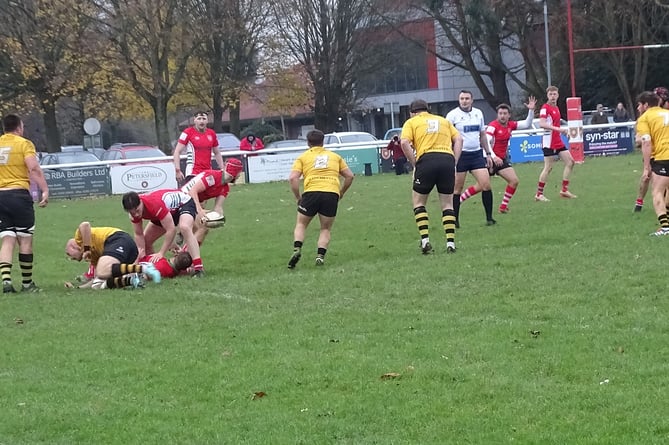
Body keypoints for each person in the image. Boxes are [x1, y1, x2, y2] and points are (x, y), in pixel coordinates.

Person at [401, 99, 463, 254]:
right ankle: (450, 243)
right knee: (447, 204)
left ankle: (425, 240)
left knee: (419, 202)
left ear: (412, 112)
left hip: (426, 160)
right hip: (447, 159)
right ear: (428, 109)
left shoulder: (411, 122)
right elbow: (459, 139)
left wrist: (415, 163)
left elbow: (404, 143)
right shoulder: (443, 120)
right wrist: (454, 160)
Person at [287, 129, 354, 268]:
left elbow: (293, 178)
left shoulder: (303, 157)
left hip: (311, 192)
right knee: (325, 228)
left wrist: (298, 197)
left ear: (308, 143)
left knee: (301, 224)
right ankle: (320, 256)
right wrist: (341, 192)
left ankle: (297, 249)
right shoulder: (335, 157)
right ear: (323, 142)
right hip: (331, 193)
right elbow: (350, 176)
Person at [460, 97, 536, 213]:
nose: (502, 116)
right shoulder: (493, 126)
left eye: (505, 113)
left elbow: (526, 124)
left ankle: (503, 207)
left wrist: (531, 110)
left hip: (500, 160)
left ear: (509, 115)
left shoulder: (510, 125)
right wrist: (493, 156)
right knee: (481, 186)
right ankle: (459, 201)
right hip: (488, 159)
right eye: (500, 113)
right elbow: (487, 142)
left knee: (514, 181)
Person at [0, 114, 49, 293]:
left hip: (0, 197)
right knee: (25, 238)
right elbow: (33, 168)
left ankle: (6, 282)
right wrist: (45, 189)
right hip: (18, 195)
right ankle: (27, 284)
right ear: (19, 128)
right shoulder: (24, 144)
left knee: (7, 239)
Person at [122, 189, 205, 277]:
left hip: (183, 203)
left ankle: (198, 268)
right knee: (146, 241)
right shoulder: (134, 214)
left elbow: (171, 229)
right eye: (132, 213)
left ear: (140, 202)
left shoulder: (154, 204)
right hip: (165, 213)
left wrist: (161, 253)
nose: (136, 215)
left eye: (137, 210)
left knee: (184, 227)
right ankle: (151, 268)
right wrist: (141, 251)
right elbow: (139, 234)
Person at [446, 90, 496, 226]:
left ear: (472, 100)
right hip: (460, 156)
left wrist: (488, 153)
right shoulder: (452, 116)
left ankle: (489, 218)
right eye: (462, 98)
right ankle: (455, 220)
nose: (464, 101)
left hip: (476, 154)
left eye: (467, 98)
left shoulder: (478, 113)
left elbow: (483, 135)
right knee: (457, 189)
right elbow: (446, 137)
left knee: (486, 184)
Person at [65, 222, 162, 289]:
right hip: (128, 252)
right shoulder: (93, 257)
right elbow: (97, 277)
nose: (71, 258)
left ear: (74, 246)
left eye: (69, 254)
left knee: (102, 271)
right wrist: (78, 288)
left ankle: (143, 268)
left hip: (117, 239)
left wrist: (86, 248)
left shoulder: (79, 238)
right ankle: (131, 280)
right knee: (97, 284)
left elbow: (85, 225)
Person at [180, 158, 244, 244]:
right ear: (235, 173)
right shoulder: (212, 177)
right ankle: (185, 254)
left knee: (200, 229)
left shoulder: (225, 188)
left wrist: (220, 218)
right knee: (203, 227)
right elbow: (192, 191)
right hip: (183, 199)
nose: (239, 175)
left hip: (190, 202)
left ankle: (185, 252)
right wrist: (199, 210)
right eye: (239, 173)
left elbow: (218, 207)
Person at [635, 90, 669, 235]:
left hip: (663, 156)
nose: (638, 108)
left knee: (657, 192)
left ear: (646, 105)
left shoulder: (645, 118)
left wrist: (646, 167)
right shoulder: (666, 113)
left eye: (639, 105)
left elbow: (646, 143)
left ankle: (665, 228)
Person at [535, 86, 576, 201]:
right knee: (548, 167)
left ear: (558, 95)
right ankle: (539, 194)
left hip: (557, 141)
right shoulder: (545, 108)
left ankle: (564, 190)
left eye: (554, 94)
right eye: (550, 94)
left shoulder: (556, 108)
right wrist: (559, 130)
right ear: (547, 95)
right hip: (549, 142)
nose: (553, 96)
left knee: (571, 162)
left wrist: (563, 132)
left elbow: (556, 125)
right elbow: (542, 124)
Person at [173, 111, 223, 184]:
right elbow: (177, 151)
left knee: (212, 193)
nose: (201, 121)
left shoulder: (211, 133)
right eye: (199, 119)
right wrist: (177, 170)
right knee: (195, 194)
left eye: (204, 119)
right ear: (194, 120)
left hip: (208, 171)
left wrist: (222, 168)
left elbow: (217, 152)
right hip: (193, 172)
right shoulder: (187, 132)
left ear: (207, 120)